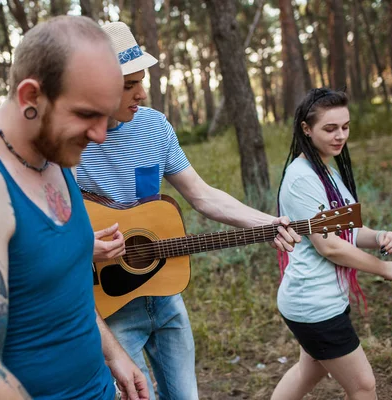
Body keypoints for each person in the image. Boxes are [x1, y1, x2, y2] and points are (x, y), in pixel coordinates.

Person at [0, 16, 148, 400]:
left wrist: (114, 354)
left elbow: (61, 284)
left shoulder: (54, 155)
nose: (100, 134)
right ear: (30, 98)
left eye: (105, 115)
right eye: (87, 115)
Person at [75, 21, 301, 400]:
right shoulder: (71, 146)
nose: (142, 93)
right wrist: (84, 245)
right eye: (129, 85)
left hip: (165, 296)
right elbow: (49, 230)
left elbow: (202, 195)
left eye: (141, 81)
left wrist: (268, 223)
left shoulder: (155, 127)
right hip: (109, 311)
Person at [270, 88, 392, 400]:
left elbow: (348, 231)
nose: (340, 136)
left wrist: (379, 237)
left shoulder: (326, 168)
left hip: (319, 297)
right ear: (307, 129)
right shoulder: (303, 177)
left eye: (345, 126)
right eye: (330, 128)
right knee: (363, 386)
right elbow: (330, 246)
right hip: (314, 303)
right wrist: (383, 268)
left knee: (310, 370)